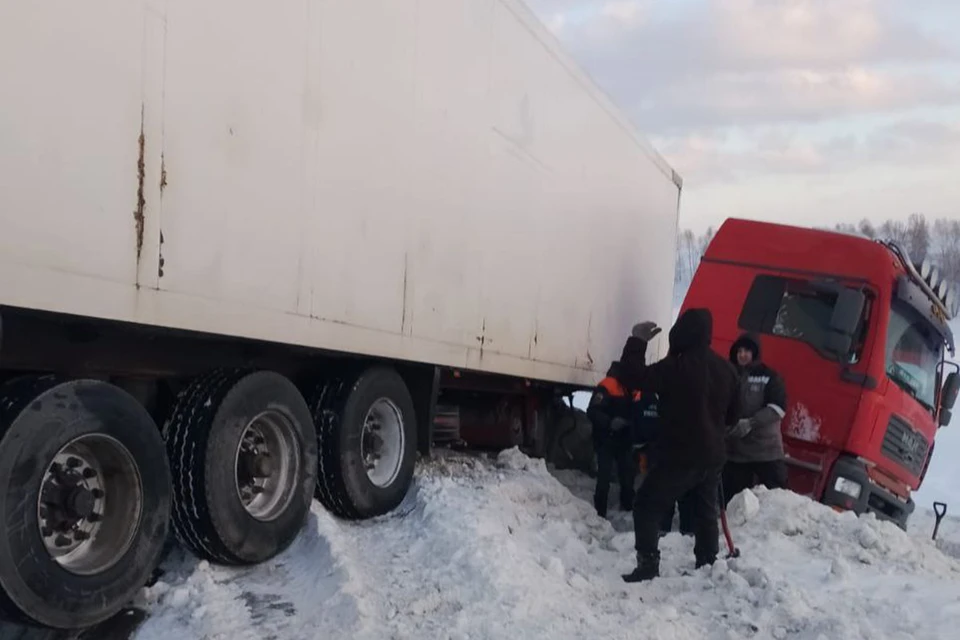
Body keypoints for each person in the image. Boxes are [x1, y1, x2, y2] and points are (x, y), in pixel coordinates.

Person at [613, 308, 741, 582]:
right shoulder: (727, 370)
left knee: (647, 505)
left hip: (680, 454)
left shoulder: (677, 367)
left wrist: (637, 341)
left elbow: (633, 377)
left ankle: (648, 564)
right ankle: (707, 565)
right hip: (713, 455)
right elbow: (734, 416)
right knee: (705, 512)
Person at [723, 333, 789, 504]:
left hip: (766, 452)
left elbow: (777, 408)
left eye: (747, 351)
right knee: (733, 502)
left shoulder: (769, 376)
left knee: (777, 501)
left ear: (755, 353)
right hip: (735, 453)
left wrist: (750, 423)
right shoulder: (728, 375)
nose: (742, 355)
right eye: (739, 351)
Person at [586, 366, 639, 518]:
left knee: (627, 476)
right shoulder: (608, 386)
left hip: (624, 441)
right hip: (606, 440)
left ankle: (627, 510)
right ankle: (599, 514)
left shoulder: (631, 389)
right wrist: (610, 422)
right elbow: (592, 411)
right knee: (604, 478)